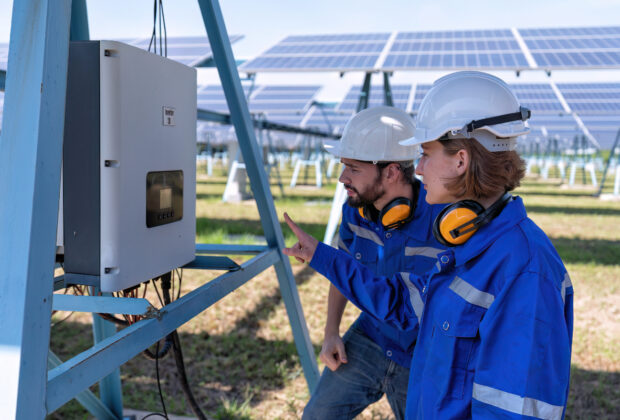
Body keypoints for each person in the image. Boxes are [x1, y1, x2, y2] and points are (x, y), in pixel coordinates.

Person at [284, 71, 574, 419]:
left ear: (461, 161)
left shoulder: (525, 270)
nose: (418, 169)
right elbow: (401, 305)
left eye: (424, 154)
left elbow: (513, 411)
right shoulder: (469, 243)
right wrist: (320, 255)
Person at [302, 106, 445, 420]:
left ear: (392, 172)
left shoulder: (443, 222)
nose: (342, 178)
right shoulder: (355, 210)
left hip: (424, 354)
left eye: (353, 168)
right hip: (373, 336)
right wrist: (331, 332)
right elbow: (343, 270)